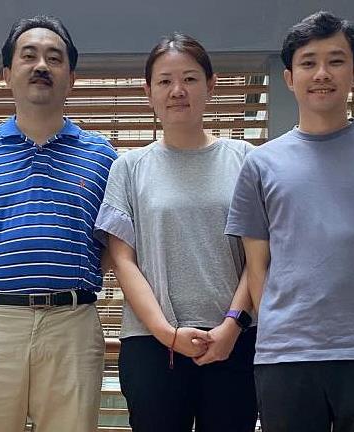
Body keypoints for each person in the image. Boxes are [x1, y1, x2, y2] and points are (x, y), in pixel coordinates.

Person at [225, 11, 354, 432]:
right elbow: (257, 264)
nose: (322, 73)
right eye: (308, 62)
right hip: (285, 357)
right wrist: (280, 327)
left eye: (336, 61)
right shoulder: (260, 164)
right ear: (288, 77)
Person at [0, 15, 118, 432]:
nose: (42, 65)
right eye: (29, 56)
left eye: (54, 58)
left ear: (71, 77)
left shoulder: (103, 156)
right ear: (7, 74)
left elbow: (112, 245)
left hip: (71, 326)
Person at [95, 33, 258, 432]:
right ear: (148, 91)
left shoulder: (246, 160)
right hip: (152, 345)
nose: (177, 91)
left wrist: (232, 325)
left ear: (210, 84)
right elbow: (122, 259)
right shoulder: (128, 167)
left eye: (189, 78)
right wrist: (165, 332)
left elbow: (258, 259)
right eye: (165, 81)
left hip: (234, 341)